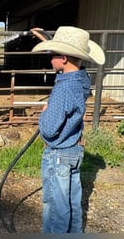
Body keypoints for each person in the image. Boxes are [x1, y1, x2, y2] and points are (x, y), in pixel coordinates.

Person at [31, 26, 105, 233]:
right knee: (71, 204)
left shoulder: (63, 89)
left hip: (58, 155)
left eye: (52, 54)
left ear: (63, 58)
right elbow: (71, 69)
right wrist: (49, 39)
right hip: (73, 151)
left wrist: (44, 112)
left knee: (56, 209)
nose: (49, 58)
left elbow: (49, 129)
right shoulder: (81, 80)